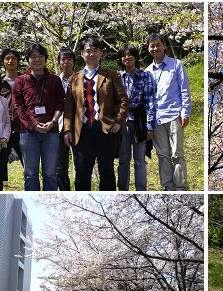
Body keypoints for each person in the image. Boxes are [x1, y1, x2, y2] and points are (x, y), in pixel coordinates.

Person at [63, 38, 129, 190]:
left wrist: (118, 121)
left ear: (101, 53)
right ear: (81, 54)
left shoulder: (111, 75)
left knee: (106, 171)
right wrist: (67, 130)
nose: (91, 54)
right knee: (82, 173)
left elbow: (123, 101)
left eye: (95, 51)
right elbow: (69, 107)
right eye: (88, 51)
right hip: (83, 130)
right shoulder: (74, 79)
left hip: (105, 129)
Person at [12, 44, 65, 191]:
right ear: (28, 60)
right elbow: (18, 107)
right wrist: (33, 124)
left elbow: (60, 103)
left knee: (50, 173)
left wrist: (53, 121)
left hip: (51, 132)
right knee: (30, 174)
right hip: (28, 133)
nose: (37, 59)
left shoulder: (55, 80)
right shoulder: (20, 81)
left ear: (46, 59)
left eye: (40, 56)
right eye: (33, 56)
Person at [145, 33, 190, 191]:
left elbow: (184, 90)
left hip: (174, 115)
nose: (155, 48)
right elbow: (147, 99)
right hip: (157, 119)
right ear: (148, 48)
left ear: (164, 45)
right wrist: (148, 124)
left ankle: (181, 186)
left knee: (177, 153)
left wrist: (185, 112)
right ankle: (168, 186)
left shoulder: (176, 65)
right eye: (152, 46)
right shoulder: (147, 71)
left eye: (158, 45)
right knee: (162, 155)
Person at [117, 44, 155, 191]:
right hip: (122, 123)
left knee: (139, 160)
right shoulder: (117, 77)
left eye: (130, 54)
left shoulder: (145, 76)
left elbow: (150, 102)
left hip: (140, 122)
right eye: (124, 55)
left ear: (135, 57)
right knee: (123, 161)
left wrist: (150, 126)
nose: (127, 58)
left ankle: (141, 190)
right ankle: (122, 190)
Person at [0, 48, 24, 170]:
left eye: (14, 58)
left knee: (28, 166)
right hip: (3, 129)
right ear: (3, 61)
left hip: (23, 128)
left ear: (18, 61)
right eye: (7, 58)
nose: (10, 61)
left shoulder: (26, 80)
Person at [56, 49, 76, 191]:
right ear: (59, 62)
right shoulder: (54, 81)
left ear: (74, 62)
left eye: (69, 59)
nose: (66, 62)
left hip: (77, 125)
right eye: (63, 59)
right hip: (58, 125)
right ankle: (65, 190)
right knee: (60, 164)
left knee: (80, 162)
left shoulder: (80, 79)